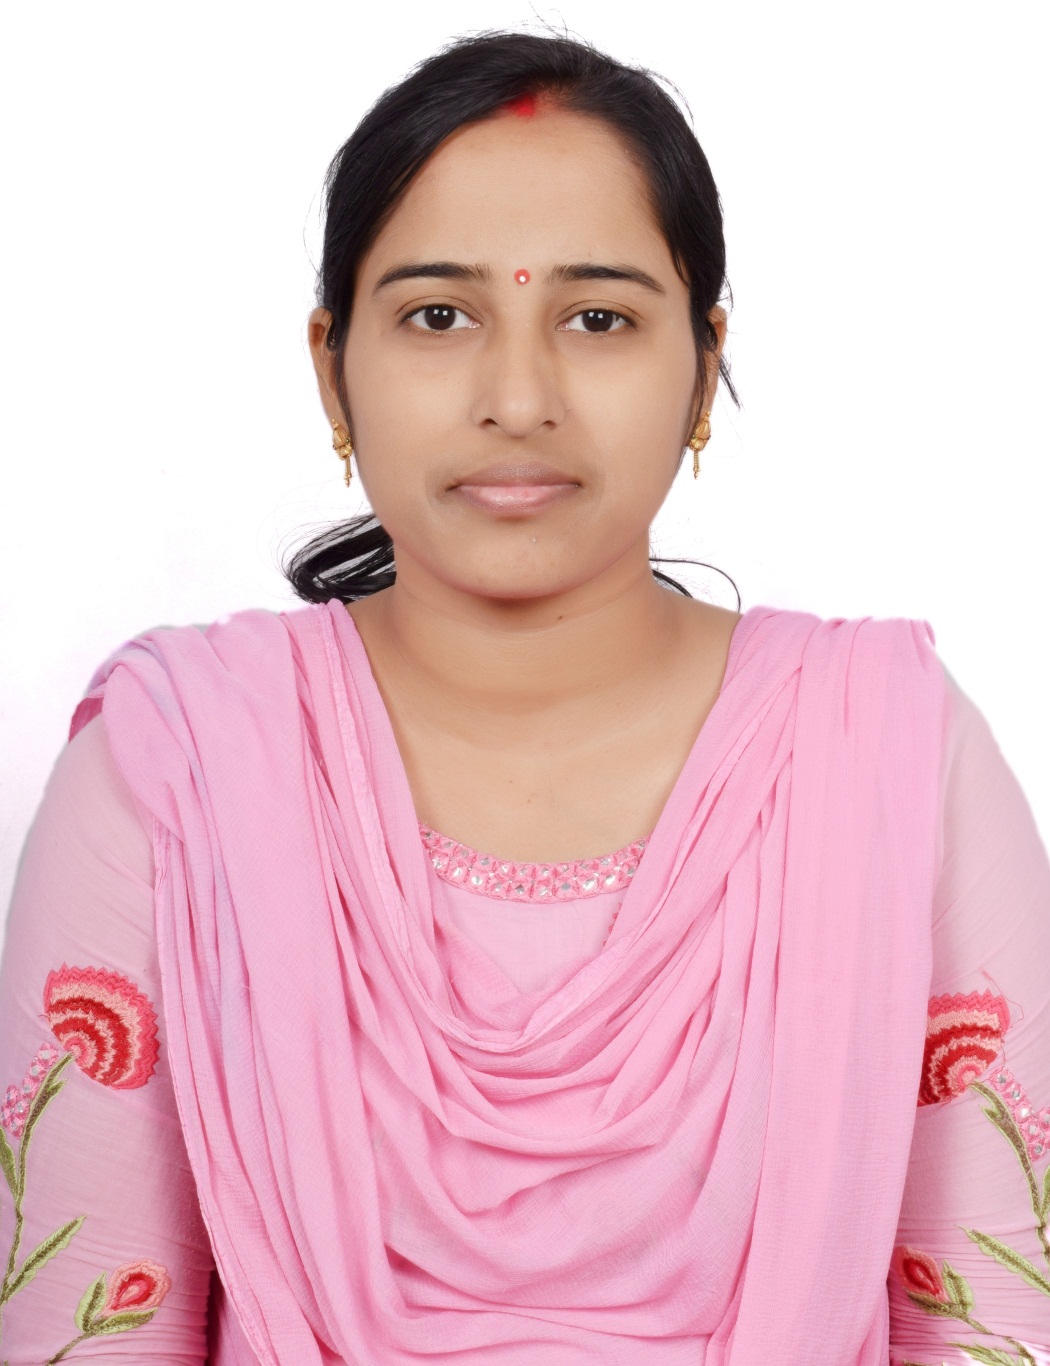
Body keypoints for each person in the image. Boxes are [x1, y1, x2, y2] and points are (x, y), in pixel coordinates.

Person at [0, 29, 1048, 1366]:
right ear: (331, 368)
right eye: (438, 317)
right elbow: (87, 1328)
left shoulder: (889, 756)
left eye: (597, 318)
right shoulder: (179, 768)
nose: (516, 397)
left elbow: (997, 1323)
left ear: (703, 364)